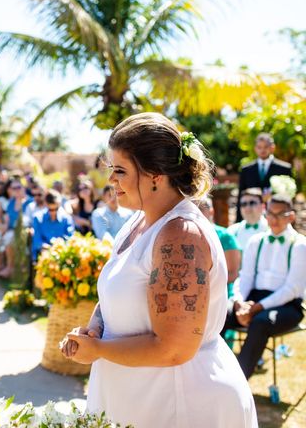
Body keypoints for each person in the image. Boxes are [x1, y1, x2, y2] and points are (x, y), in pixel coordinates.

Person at [61, 113, 256, 427]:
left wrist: (98, 349)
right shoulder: (138, 222)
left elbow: (174, 349)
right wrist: (95, 327)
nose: (111, 180)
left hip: (180, 402)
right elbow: (120, 291)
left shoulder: (181, 236)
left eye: (120, 170)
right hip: (140, 398)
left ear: (155, 175)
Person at [222, 194, 306, 379]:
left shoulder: (300, 245)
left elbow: (291, 289)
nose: (274, 219)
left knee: (260, 323)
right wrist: (239, 303)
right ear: (265, 213)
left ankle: (238, 380)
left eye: (280, 214)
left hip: (287, 305)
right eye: (270, 214)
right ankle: (213, 372)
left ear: (291, 216)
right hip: (253, 300)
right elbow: (246, 277)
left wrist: (256, 309)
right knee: (220, 313)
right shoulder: (256, 241)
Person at [237, 133, 292, 221]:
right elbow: (241, 195)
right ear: (255, 148)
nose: (262, 150)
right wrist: (239, 220)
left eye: (266, 147)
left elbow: (288, 196)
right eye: (259, 147)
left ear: (272, 147)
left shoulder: (284, 168)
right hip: (252, 216)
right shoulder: (246, 169)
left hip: (276, 216)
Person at [31, 190, 74, 261]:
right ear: (46, 205)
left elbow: (70, 239)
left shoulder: (66, 218)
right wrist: (50, 249)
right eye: (50, 209)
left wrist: (59, 248)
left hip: (63, 253)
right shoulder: (38, 218)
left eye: (56, 209)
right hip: (44, 253)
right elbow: (37, 241)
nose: (53, 212)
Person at [228, 188, 268, 254]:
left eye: (252, 203)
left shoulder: (271, 229)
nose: (247, 207)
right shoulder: (232, 231)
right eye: (244, 204)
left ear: (263, 206)